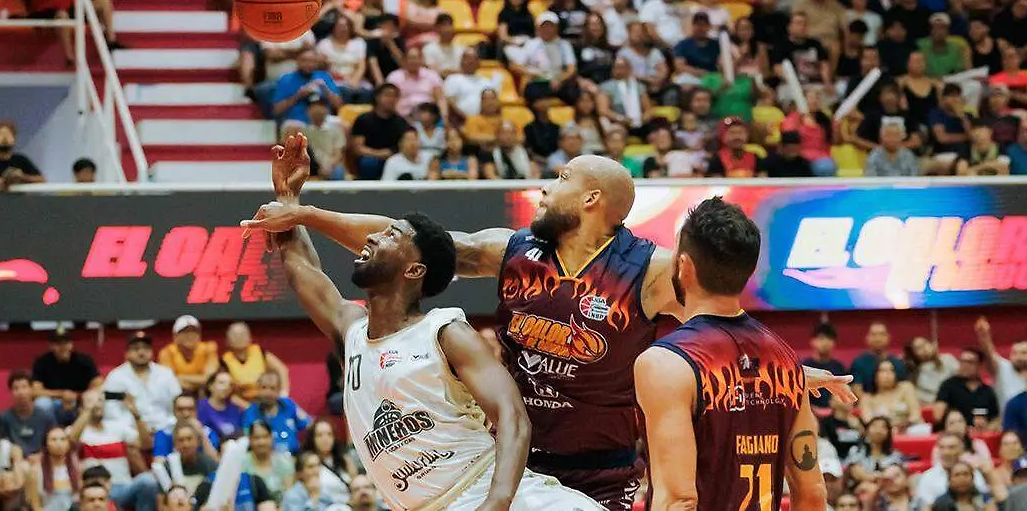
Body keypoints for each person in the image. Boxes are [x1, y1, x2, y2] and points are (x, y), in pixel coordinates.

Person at [243, 135, 851, 509]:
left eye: (560, 179)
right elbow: (416, 242)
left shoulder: (649, 269)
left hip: (603, 469)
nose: (543, 188)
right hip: (516, 461)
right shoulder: (514, 251)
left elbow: (718, 328)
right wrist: (306, 214)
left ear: (591, 200)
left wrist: (790, 369)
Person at [251, 136, 604, 511]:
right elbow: (302, 269)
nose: (372, 236)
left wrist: (498, 501)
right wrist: (288, 197)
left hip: (489, 492)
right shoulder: (350, 330)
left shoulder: (444, 331)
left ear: (414, 270)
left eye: (391, 234)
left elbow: (512, 416)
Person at [635, 197, 827, 510]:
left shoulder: (664, 362)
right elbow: (813, 493)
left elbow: (678, 500)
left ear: (684, 266)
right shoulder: (786, 360)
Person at [69, 391, 158, 511]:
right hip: (94, 490)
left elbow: (146, 444)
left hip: (122, 487)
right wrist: (88, 411)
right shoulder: (79, 431)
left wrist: (136, 416)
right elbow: (71, 441)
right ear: (80, 408)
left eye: (100, 400)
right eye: (91, 401)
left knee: (148, 480)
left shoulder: (117, 427)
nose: (97, 404)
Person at [103, 332, 183, 434]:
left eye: (146, 348)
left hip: (165, 429)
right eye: (136, 349)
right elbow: (111, 411)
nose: (141, 352)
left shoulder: (166, 374)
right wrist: (134, 430)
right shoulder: (116, 377)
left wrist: (168, 426)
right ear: (127, 353)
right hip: (129, 432)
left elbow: (178, 403)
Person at [31, 329, 101, 425]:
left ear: (71, 344)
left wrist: (80, 395)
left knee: (94, 398)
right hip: (54, 402)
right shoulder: (42, 362)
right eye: (58, 344)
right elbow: (35, 391)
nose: (62, 347)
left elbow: (99, 383)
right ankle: (50, 432)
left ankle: (88, 432)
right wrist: (62, 394)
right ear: (51, 346)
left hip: (79, 401)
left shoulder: (84, 360)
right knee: (42, 403)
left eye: (66, 343)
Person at [349, 83, 411, 181]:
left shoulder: (401, 122)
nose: (391, 99)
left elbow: (405, 146)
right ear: (377, 97)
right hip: (370, 158)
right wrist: (379, 153)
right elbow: (358, 148)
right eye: (387, 95)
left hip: (393, 157)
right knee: (368, 163)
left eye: (394, 96)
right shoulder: (363, 120)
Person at [222, 322, 290, 409]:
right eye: (235, 335)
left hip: (267, 401)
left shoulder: (259, 352)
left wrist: (283, 395)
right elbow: (228, 394)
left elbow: (282, 369)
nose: (239, 337)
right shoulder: (224, 361)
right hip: (242, 406)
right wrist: (249, 408)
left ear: (250, 338)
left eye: (243, 334)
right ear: (227, 341)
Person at [242, 371, 312, 455]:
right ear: (258, 390)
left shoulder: (288, 405)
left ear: (279, 390)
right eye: (264, 388)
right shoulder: (250, 412)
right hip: (266, 459)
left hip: (294, 456)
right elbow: (247, 440)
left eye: (272, 388)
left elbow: (310, 425)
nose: (268, 392)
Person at [916, 434, 992, 507]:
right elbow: (925, 507)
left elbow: (984, 502)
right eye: (942, 448)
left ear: (961, 450)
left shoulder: (974, 473)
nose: (946, 452)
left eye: (951, 447)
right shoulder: (928, 477)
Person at [935, 348, 1000, 429]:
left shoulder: (987, 391)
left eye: (970, 362)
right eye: (962, 361)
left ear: (979, 365)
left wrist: (988, 426)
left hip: (979, 433)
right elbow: (937, 416)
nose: (965, 365)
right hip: (952, 433)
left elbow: (996, 418)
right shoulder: (948, 385)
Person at [973, 316, 1027, 412]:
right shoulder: (1003, 369)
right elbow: (989, 352)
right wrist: (984, 336)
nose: (1018, 357)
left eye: (1023, 353)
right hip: (1008, 421)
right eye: (1014, 353)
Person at [158, 316, 219, 394]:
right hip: (177, 394)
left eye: (194, 331)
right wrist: (199, 382)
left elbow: (210, 379)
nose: (190, 335)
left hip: (204, 393)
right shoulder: (167, 352)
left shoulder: (208, 349)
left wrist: (181, 377)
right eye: (185, 332)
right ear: (175, 336)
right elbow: (169, 381)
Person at [843, 417, 904, 491]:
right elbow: (857, 473)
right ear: (866, 430)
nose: (878, 430)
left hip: (888, 490)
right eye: (874, 426)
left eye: (883, 427)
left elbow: (898, 476)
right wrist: (877, 477)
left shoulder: (895, 455)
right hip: (861, 489)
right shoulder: (856, 451)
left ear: (889, 432)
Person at [860, 360, 923, 431]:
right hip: (881, 433)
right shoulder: (867, 398)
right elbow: (868, 421)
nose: (888, 374)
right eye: (883, 371)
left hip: (908, 429)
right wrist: (888, 430)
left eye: (891, 370)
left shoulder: (906, 387)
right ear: (875, 376)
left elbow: (915, 415)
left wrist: (900, 427)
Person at [153, 394, 220, 460]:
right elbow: (159, 461)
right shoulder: (165, 433)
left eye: (190, 409)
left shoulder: (207, 432)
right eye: (180, 409)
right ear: (174, 411)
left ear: (196, 411)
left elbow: (215, 461)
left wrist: (202, 435)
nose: (186, 414)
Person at [851, 323, 908, 394]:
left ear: (888, 338)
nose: (878, 339)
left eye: (882, 334)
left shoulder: (898, 363)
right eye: (874, 335)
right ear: (867, 338)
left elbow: (903, 387)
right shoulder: (859, 363)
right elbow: (856, 388)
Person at [803, 323, 848, 411]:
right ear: (812, 341)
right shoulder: (804, 366)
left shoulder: (839, 367)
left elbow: (843, 392)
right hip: (809, 411)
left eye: (829, 338)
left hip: (835, 412)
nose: (825, 342)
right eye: (821, 338)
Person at [33, 427, 79, 511]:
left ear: (68, 444)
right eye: (53, 439)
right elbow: (36, 506)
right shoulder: (36, 471)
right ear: (46, 444)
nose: (59, 443)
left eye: (63, 439)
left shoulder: (77, 468)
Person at [906, 336, 960, 406]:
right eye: (918, 348)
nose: (924, 349)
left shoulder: (947, 359)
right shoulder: (915, 373)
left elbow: (960, 381)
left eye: (925, 343)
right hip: (931, 405)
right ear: (913, 354)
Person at [197, 370, 244, 443]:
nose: (226, 387)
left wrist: (243, 404)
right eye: (221, 383)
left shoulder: (235, 408)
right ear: (210, 386)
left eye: (230, 384)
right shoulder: (201, 407)